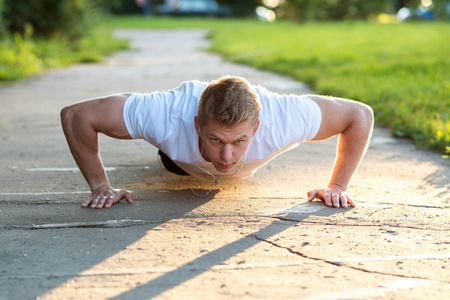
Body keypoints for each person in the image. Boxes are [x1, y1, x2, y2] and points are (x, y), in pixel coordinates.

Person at [60, 76, 373, 210]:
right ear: (198, 125)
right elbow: (76, 115)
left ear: (258, 128)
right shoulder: (165, 115)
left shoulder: (285, 118)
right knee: (173, 160)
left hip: (249, 158)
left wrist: (338, 186)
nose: (226, 155)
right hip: (179, 163)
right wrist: (100, 186)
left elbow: (360, 115)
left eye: (239, 141)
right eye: (215, 139)